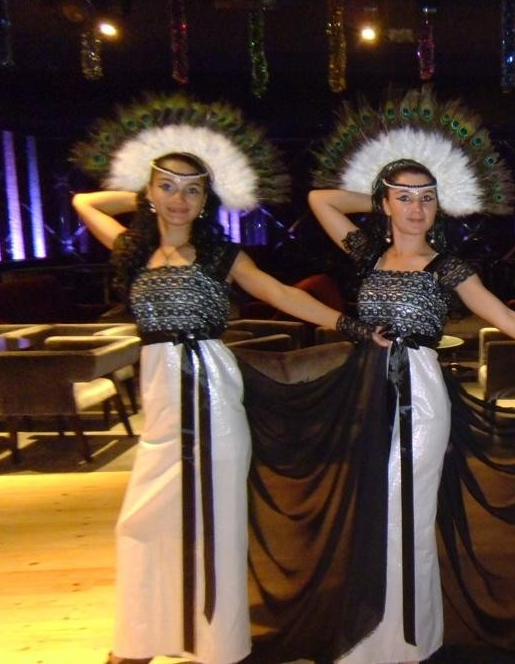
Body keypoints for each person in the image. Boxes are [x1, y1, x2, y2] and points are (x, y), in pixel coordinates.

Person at [71, 97, 376, 664]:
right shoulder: (132, 249)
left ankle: (216, 645)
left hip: (210, 388)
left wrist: (349, 325)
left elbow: (280, 293)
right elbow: (83, 200)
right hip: (162, 400)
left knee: (215, 524)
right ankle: (143, 637)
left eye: (193, 190)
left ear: (206, 200)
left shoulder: (219, 255)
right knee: (142, 522)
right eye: (168, 187)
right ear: (149, 192)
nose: (180, 198)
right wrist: (145, 188)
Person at [303, 157, 515, 663]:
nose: (417, 208)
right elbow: (320, 199)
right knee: (376, 515)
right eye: (404, 198)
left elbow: (506, 317)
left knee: (407, 515)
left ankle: (402, 643)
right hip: (369, 393)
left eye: (427, 198)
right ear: (384, 204)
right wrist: (384, 195)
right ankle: (386, 635)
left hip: (421, 399)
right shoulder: (368, 253)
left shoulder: (447, 265)